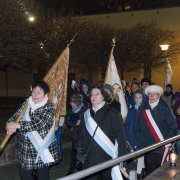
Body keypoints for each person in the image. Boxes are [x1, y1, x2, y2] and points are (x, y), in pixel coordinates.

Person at [6, 80, 59, 180]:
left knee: (43, 176)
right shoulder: (27, 104)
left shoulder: (49, 107)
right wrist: (9, 125)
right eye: (34, 91)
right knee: (24, 174)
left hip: (42, 148)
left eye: (39, 92)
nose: (36, 94)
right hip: (26, 149)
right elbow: (15, 116)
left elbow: (39, 123)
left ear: (45, 94)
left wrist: (18, 125)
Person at [75, 86, 127, 180]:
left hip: (108, 159)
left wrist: (122, 158)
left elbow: (121, 137)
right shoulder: (86, 114)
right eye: (91, 95)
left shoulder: (113, 113)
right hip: (89, 159)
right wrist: (79, 149)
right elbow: (81, 134)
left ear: (103, 96)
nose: (93, 96)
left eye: (97, 94)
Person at [133, 85, 176, 176]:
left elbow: (172, 126)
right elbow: (138, 127)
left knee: (161, 172)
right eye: (150, 94)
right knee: (149, 172)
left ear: (159, 95)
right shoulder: (143, 108)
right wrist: (136, 143)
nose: (152, 96)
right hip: (147, 147)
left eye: (155, 94)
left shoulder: (164, 108)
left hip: (161, 147)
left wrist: (168, 141)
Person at [66, 93, 87, 175]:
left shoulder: (85, 110)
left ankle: (83, 173)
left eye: (72, 102)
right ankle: (71, 172)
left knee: (81, 156)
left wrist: (79, 124)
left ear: (77, 103)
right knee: (73, 156)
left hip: (82, 137)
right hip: (75, 136)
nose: (70, 103)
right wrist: (75, 124)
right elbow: (68, 121)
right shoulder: (72, 111)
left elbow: (87, 123)